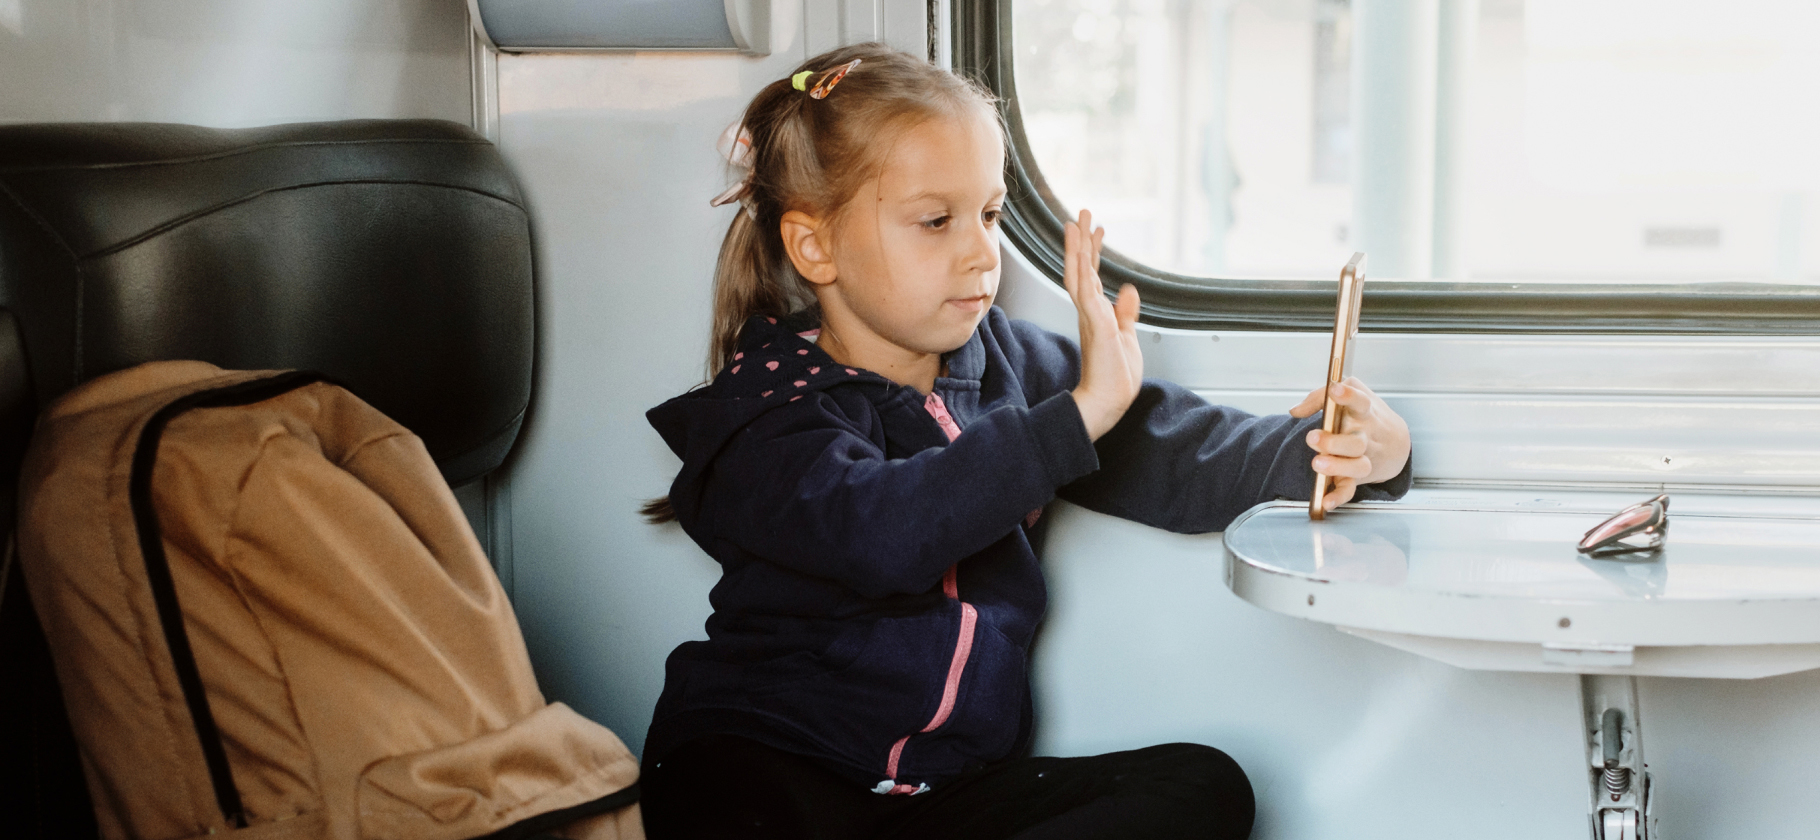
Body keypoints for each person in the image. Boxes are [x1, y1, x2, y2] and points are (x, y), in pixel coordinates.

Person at [638, 43, 1412, 839]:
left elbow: (1172, 448)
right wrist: (1074, 418)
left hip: (935, 794)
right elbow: (885, 532)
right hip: (768, 763)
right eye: (936, 221)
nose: (982, 253)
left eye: (992, 214)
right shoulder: (769, 409)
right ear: (816, 248)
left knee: (1205, 786)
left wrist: (1333, 453)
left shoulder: (1004, 361)